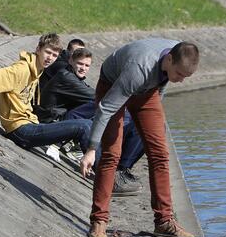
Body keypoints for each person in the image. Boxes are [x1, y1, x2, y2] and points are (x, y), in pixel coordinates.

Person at [80, 39, 200, 237]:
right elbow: (106, 108)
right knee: (111, 155)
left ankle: (164, 221)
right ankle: (99, 220)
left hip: (146, 92)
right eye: (179, 74)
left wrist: (149, 118)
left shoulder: (175, 58)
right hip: (113, 85)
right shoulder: (140, 68)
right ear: (169, 59)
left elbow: (161, 84)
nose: (180, 80)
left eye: (185, 76)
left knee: (160, 154)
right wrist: (91, 149)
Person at [37, 47, 145, 196]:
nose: (83, 68)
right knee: (102, 111)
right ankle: (109, 177)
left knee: (135, 123)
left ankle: (120, 169)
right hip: (54, 123)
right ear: (70, 61)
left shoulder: (75, 78)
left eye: (87, 65)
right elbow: (100, 99)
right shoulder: (66, 77)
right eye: (80, 64)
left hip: (68, 119)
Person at [0, 33, 92, 153]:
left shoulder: (38, 69)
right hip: (21, 130)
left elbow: (0, 86)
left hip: (30, 122)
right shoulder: (22, 69)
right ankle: (100, 169)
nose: (50, 58)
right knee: (84, 126)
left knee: (87, 124)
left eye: (54, 55)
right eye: (47, 52)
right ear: (38, 49)